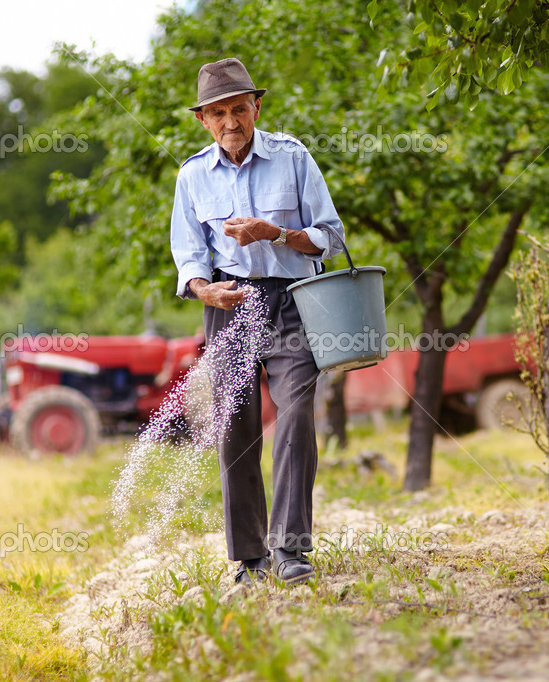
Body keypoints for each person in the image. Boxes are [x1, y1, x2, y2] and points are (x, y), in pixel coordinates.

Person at [169, 58, 344, 585]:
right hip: (229, 304)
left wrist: (275, 234)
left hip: (293, 299)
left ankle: (290, 550)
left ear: (257, 108)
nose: (231, 122)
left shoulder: (293, 157)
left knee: (296, 413)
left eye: (239, 109)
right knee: (236, 428)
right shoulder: (191, 174)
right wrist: (204, 289)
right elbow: (188, 254)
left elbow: (332, 238)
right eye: (218, 113)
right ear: (203, 120)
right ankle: (250, 558)